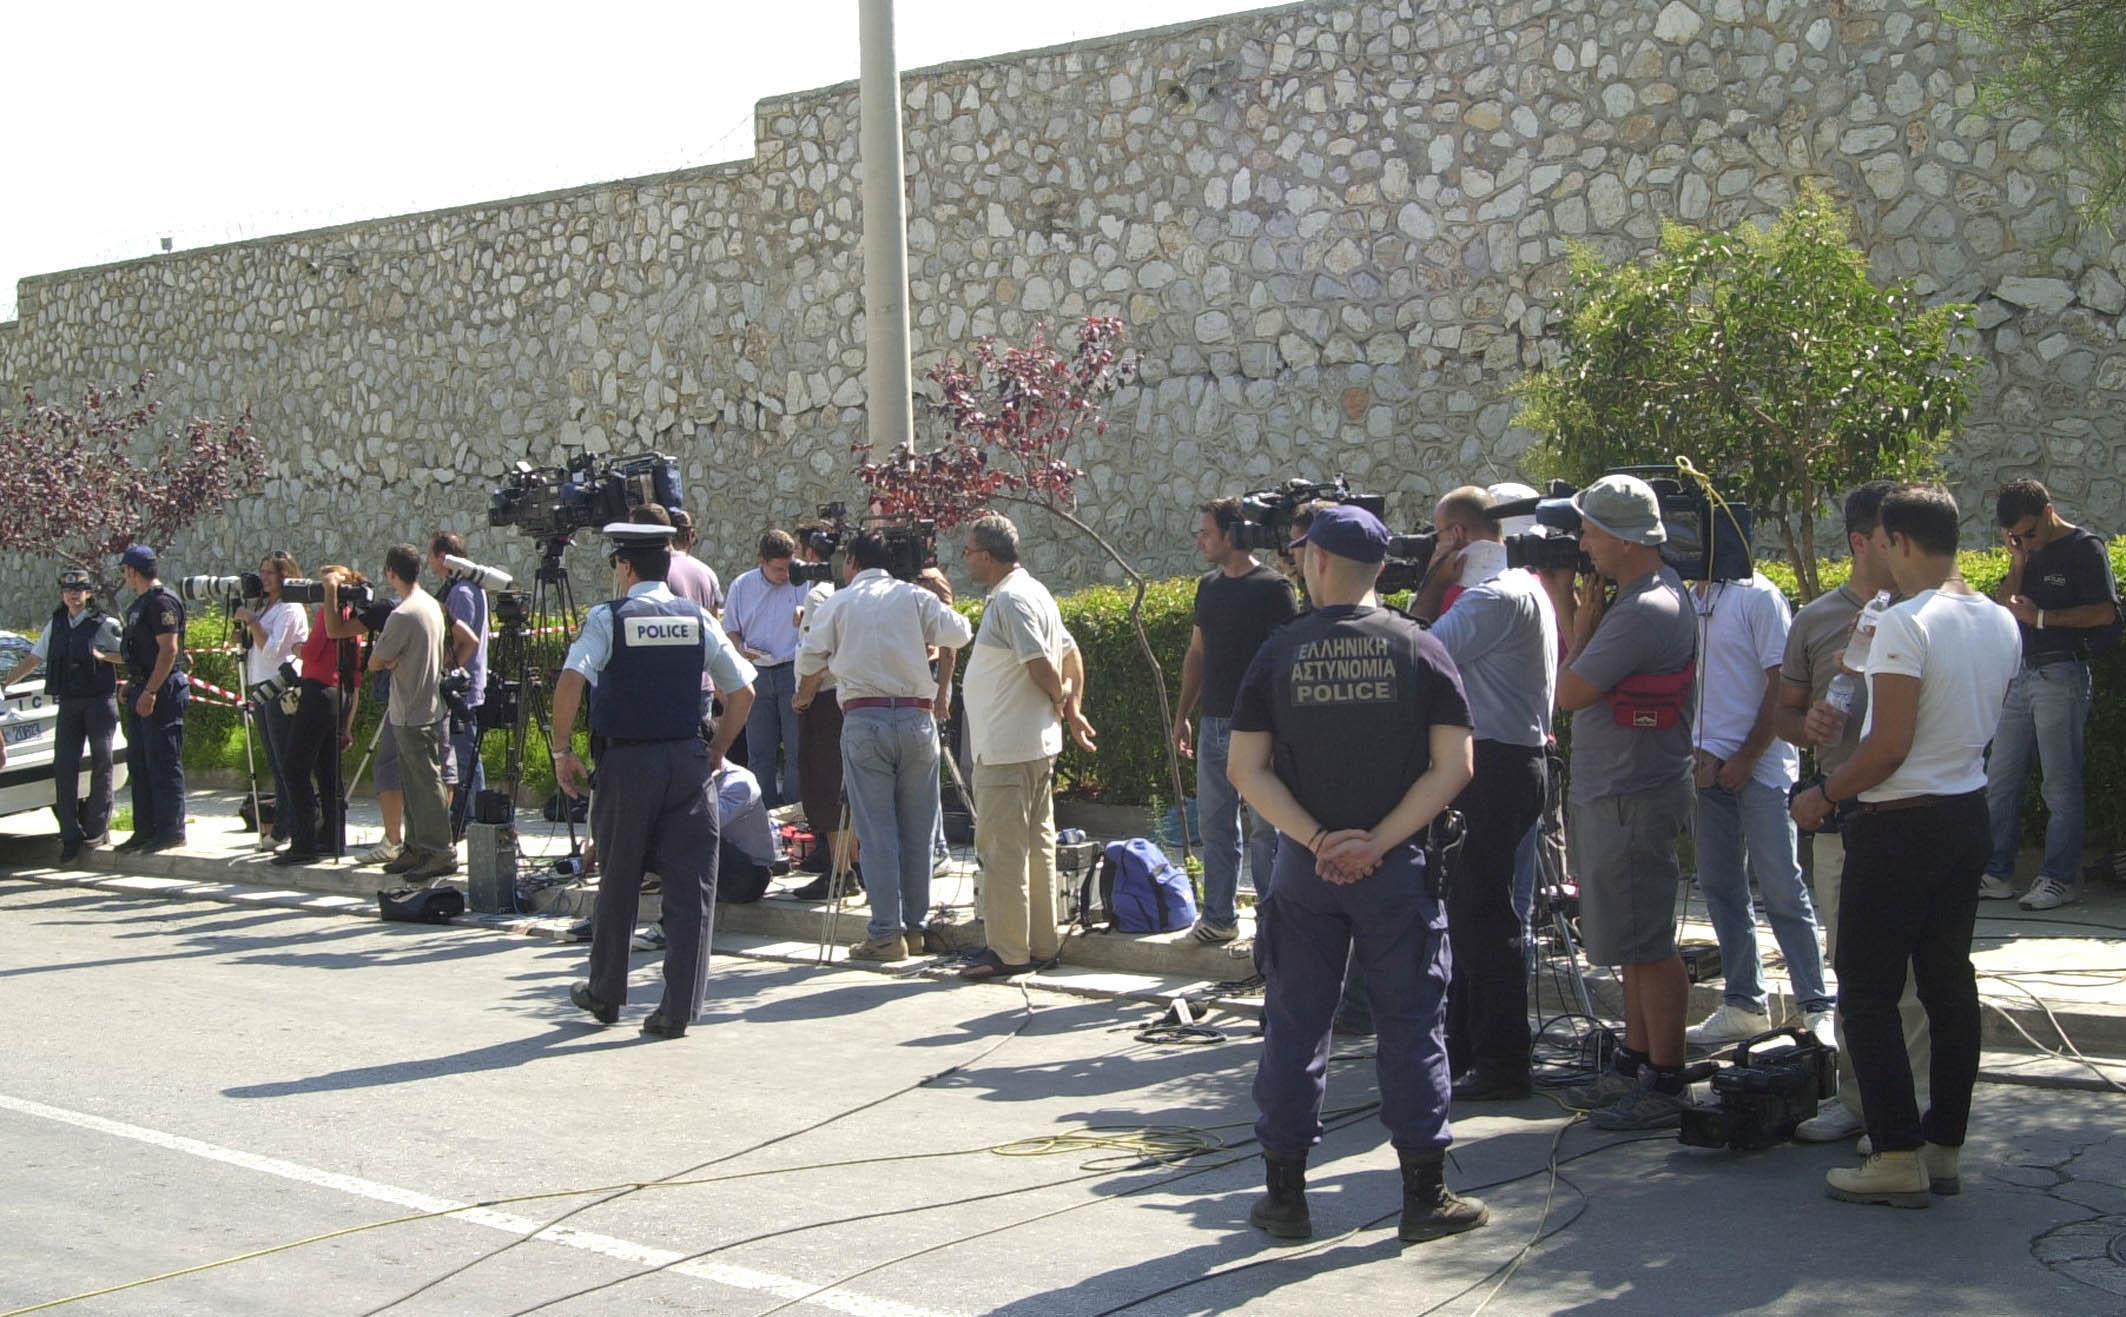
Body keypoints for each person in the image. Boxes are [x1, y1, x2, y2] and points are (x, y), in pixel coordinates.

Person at [1226, 503, 1486, 1244]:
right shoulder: (1422, 648)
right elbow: (1456, 765)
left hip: (1305, 874)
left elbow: (1245, 768)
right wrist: (1376, 842)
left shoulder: (1278, 653)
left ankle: (1284, 1197)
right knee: (1411, 1025)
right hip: (1398, 869)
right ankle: (1422, 1195)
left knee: (1295, 1024)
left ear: (1318, 563)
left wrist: (1316, 840)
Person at [1791, 483, 2020, 1208]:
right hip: (1964, 814)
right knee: (1949, 983)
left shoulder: (1903, 623)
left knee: (1865, 987)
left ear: (1900, 541)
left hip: (1898, 821)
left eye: (1882, 542)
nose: (1877, 554)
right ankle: (1943, 1143)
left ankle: (1895, 1151)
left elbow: (1888, 747)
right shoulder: (1999, 620)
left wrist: (1823, 795)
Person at [554, 522, 756, 1038]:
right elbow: (743, 692)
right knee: (691, 889)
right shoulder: (697, 619)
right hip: (687, 763)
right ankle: (678, 1009)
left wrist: (561, 751)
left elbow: (572, 678)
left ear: (624, 567)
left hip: (627, 766)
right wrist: (716, 750)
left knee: (619, 880)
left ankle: (605, 994)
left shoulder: (609, 618)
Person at [1776, 481, 1932, 1145]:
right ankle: (1859, 1097)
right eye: (1891, 536)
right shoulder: (1814, 618)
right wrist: (1804, 721)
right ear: (1861, 541)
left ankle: (1913, 1111)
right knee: (1851, 967)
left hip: (1913, 813)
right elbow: (1782, 714)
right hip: (1842, 820)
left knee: (1909, 979)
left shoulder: (1930, 612)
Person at [1547, 475, 1698, 1130]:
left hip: (1631, 794)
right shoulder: (1648, 597)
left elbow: (1570, 691)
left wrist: (1578, 624)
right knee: (1633, 941)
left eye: (1588, 530)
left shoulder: (1642, 609)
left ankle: (1664, 1080)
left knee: (1649, 942)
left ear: (1622, 537)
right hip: (1622, 790)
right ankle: (1637, 1064)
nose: (1583, 545)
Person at [1409, 487, 1556, 1102]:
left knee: (1483, 915)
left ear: (1460, 538)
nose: (1434, 545)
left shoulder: (1492, 598)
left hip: (1496, 764)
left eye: (1440, 536)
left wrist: (1427, 580)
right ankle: (1469, 1046)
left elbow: (1413, 654)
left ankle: (1501, 1059)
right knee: (1472, 910)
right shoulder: (1521, 588)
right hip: (1510, 760)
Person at [795, 530, 973, 960]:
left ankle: (885, 933)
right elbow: (961, 632)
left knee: (877, 832)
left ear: (852, 562)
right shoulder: (912, 596)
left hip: (864, 717)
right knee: (917, 830)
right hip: (916, 717)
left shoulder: (838, 602)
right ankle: (915, 928)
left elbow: (806, 661)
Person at [1683, 567, 1835, 1047]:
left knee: (1782, 887)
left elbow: (1783, 685)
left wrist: (1746, 755)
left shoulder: (1760, 597)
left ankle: (1816, 1005)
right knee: (1720, 886)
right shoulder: (1690, 596)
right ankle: (1744, 1002)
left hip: (1762, 768)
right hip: (1706, 767)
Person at [957, 513, 1096, 980]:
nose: (965, 559)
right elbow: (1070, 652)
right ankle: (1039, 944)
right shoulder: (1035, 592)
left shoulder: (1012, 599)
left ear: (989, 556)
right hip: (1033, 745)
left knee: (1002, 853)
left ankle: (1008, 952)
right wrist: (1072, 708)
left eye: (969, 551)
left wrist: (1063, 701)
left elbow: (1040, 662)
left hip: (1006, 749)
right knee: (1036, 849)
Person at [1980, 479, 2121, 910]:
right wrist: (2019, 559)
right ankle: (1996, 873)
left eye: (2029, 532)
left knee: (2059, 784)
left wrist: (2042, 618)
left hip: (2062, 672)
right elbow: (2007, 604)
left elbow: (2105, 611)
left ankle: (2058, 877)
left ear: (2048, 511)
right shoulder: (2028, 550)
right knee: (1999, 780)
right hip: (2019, 675)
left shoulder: (2085, 548)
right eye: (2015, 536)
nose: (2026, 540)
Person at [1171, 497, 1298, 944]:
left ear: (1233, 534)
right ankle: (1219, 918)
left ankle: (1272, 923)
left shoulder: (1275, 588)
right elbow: (1197, 653)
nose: (1200, 539)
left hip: (1262, 727)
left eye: (1207, 531)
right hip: (1214, 723)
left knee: (1267, 829)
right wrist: (1183, 714)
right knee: (1215, 825)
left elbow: (1288, 662)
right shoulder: (1208, 586)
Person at [3, 568, 123, 861]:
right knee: (64, 766)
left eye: (80, 589)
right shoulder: (56, 624)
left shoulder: (103, 623)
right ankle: (70, 835)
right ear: (62, 594)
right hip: (68, 703)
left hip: (98, 701)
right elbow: (34, 658)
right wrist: (6, 683)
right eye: (69, 590)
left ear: (89, 593)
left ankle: (96, 829)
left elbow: (131, 655)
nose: (74, 594)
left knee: (101, 762)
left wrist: (104, 657)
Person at [367, 544, 456, 882]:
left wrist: (387, 660)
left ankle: (439, 850)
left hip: (410, 709)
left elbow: (376, 660)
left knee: (425, 783)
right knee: (416, 781)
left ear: (392, 572)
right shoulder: (432, 605)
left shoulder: (403, 613)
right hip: (425, 704)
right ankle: (417, 846)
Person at [274, 567, 366, 864]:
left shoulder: (329, 614)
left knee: (295, 767)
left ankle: (304, 840)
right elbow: (355, 674)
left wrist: (298, 648)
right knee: (328, 771)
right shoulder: (353, 617)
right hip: (339, 694)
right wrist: (348, 724)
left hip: (319, 691)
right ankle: (332, 836)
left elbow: (313, 651)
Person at [112, 545, 189, 853]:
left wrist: (151, 691)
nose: (124, 576)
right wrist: (134, 684)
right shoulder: (141, 604)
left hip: (162, 692)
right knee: (141, 763)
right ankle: (145, 829)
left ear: (133, 571)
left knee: (163, 761)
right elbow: (142, 652)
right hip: (143, 688)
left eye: (124, 571)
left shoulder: (161, 602)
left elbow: (169, 650)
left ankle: (170, 830)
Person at [724, 529, 807, 807]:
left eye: (788, 567)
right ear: (762, 561)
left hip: (792, 670)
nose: (785, 575)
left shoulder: (802, 582)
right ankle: (763, 811)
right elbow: (731, 631)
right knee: (759, 751)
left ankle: (795, 811)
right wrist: (740, 649)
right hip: (756, 672)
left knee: (797, 749)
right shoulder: (741, 586)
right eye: (778, 569)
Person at [234, 551, 309, 852]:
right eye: (262, 572)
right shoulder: (266, 607)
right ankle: (281, 822)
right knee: (273, 760)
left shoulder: (290, 609)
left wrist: (252, 622)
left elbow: (274, 650)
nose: (264, 579)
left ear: (284, 575)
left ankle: (285, 826)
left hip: (280, 687)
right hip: (260, 685)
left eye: (271, 573)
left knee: (284, 760)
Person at [788, 517, 847, 895]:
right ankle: (844, 862)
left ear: (810, 553)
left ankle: (840, 872)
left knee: (825, 785)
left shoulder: (819, 595)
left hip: (824, 698)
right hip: (848, 697)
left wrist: (803, 695)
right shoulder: (850, 589)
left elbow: (819, 654)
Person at [427, 533, 490, 839]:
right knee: (460, 753)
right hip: (461, 683)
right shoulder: (465, 588)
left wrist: (444, 666)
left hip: (461, 686)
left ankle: (476, 817)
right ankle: (464, 814)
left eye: (431, 555)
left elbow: (460, 640)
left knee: (466, 754)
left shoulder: (462, 592)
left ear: (443, 557)